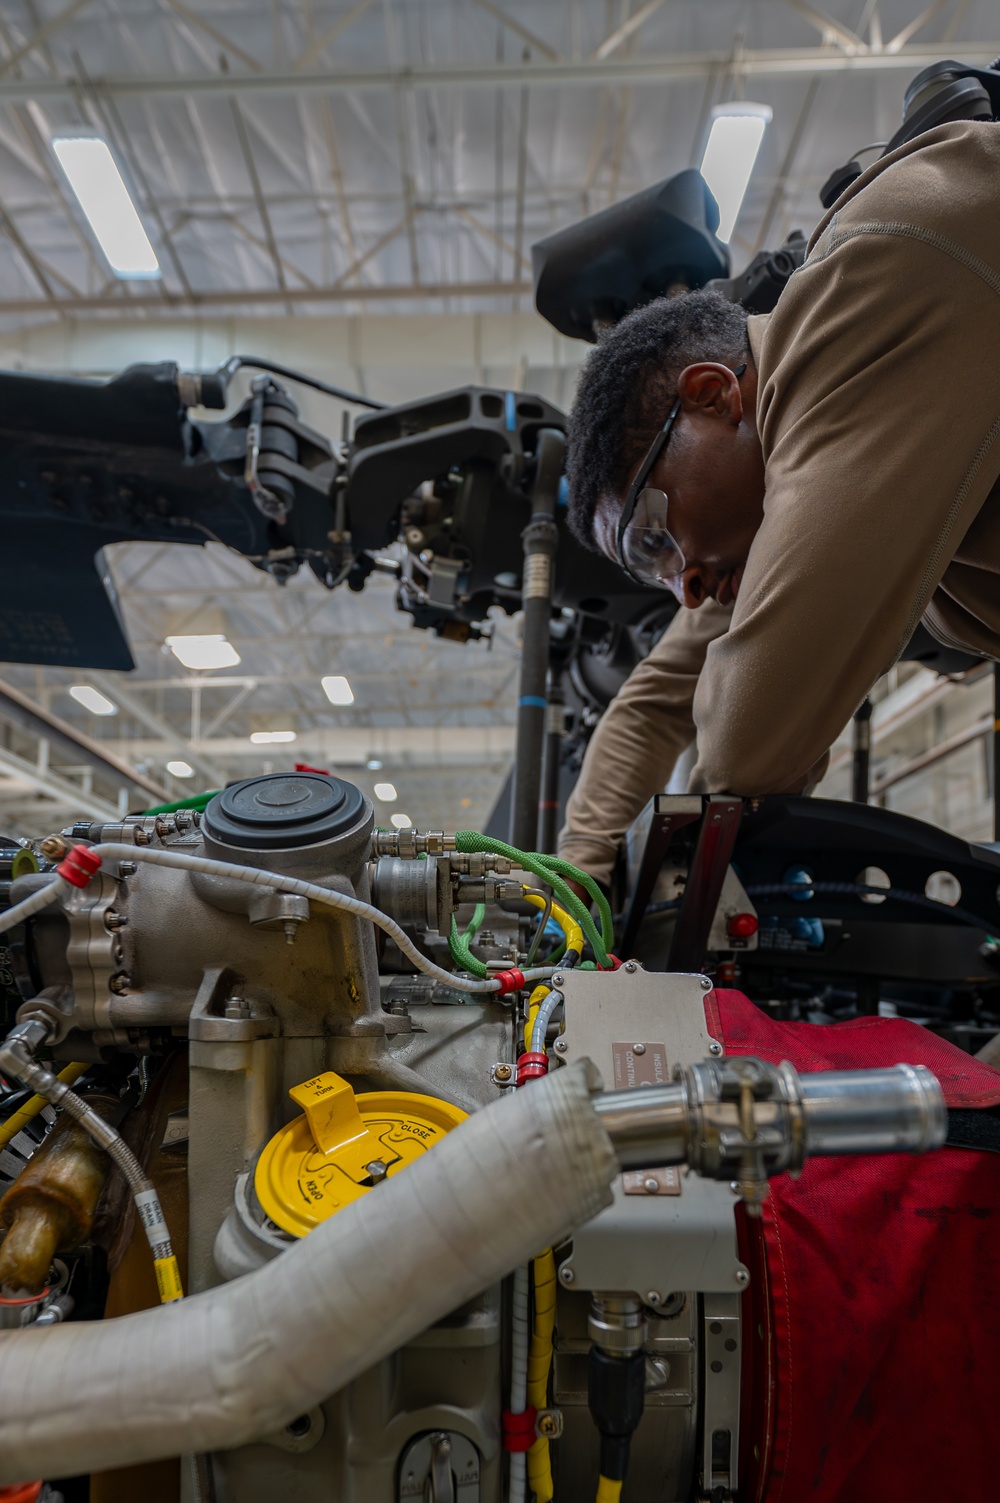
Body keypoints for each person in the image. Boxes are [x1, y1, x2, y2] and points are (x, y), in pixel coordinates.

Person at [556, 118, 1000, 890]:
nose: (683, 584)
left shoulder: (867, 292)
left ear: (711, 395)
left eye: (655, 534)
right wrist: (573, 884)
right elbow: (658, 702)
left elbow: (750, 740)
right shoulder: (774, 480)